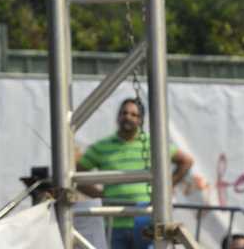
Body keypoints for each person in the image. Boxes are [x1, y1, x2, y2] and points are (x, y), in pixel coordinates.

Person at [77, 98, 195, 249]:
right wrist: (99, 196)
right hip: (115, 221)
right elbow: (77, 175)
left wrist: (168, 186)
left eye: (134, 114)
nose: (128, 117)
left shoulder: (154, 143)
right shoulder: (102, 146)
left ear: (141, 120)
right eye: (124, 113)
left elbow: (186, 161)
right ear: (118, 117)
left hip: (145, 220)